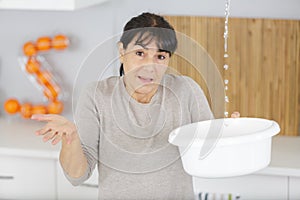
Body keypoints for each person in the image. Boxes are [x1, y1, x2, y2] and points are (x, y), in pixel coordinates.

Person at [32, 12, 240, 200]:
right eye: (140, 53)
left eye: (160, 56)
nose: (149, 65)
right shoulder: (96, 96)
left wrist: (231, 136)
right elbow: (77, 176)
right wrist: (71, 140)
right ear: (122, 51)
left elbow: (211, 155)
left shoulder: (186, 90)